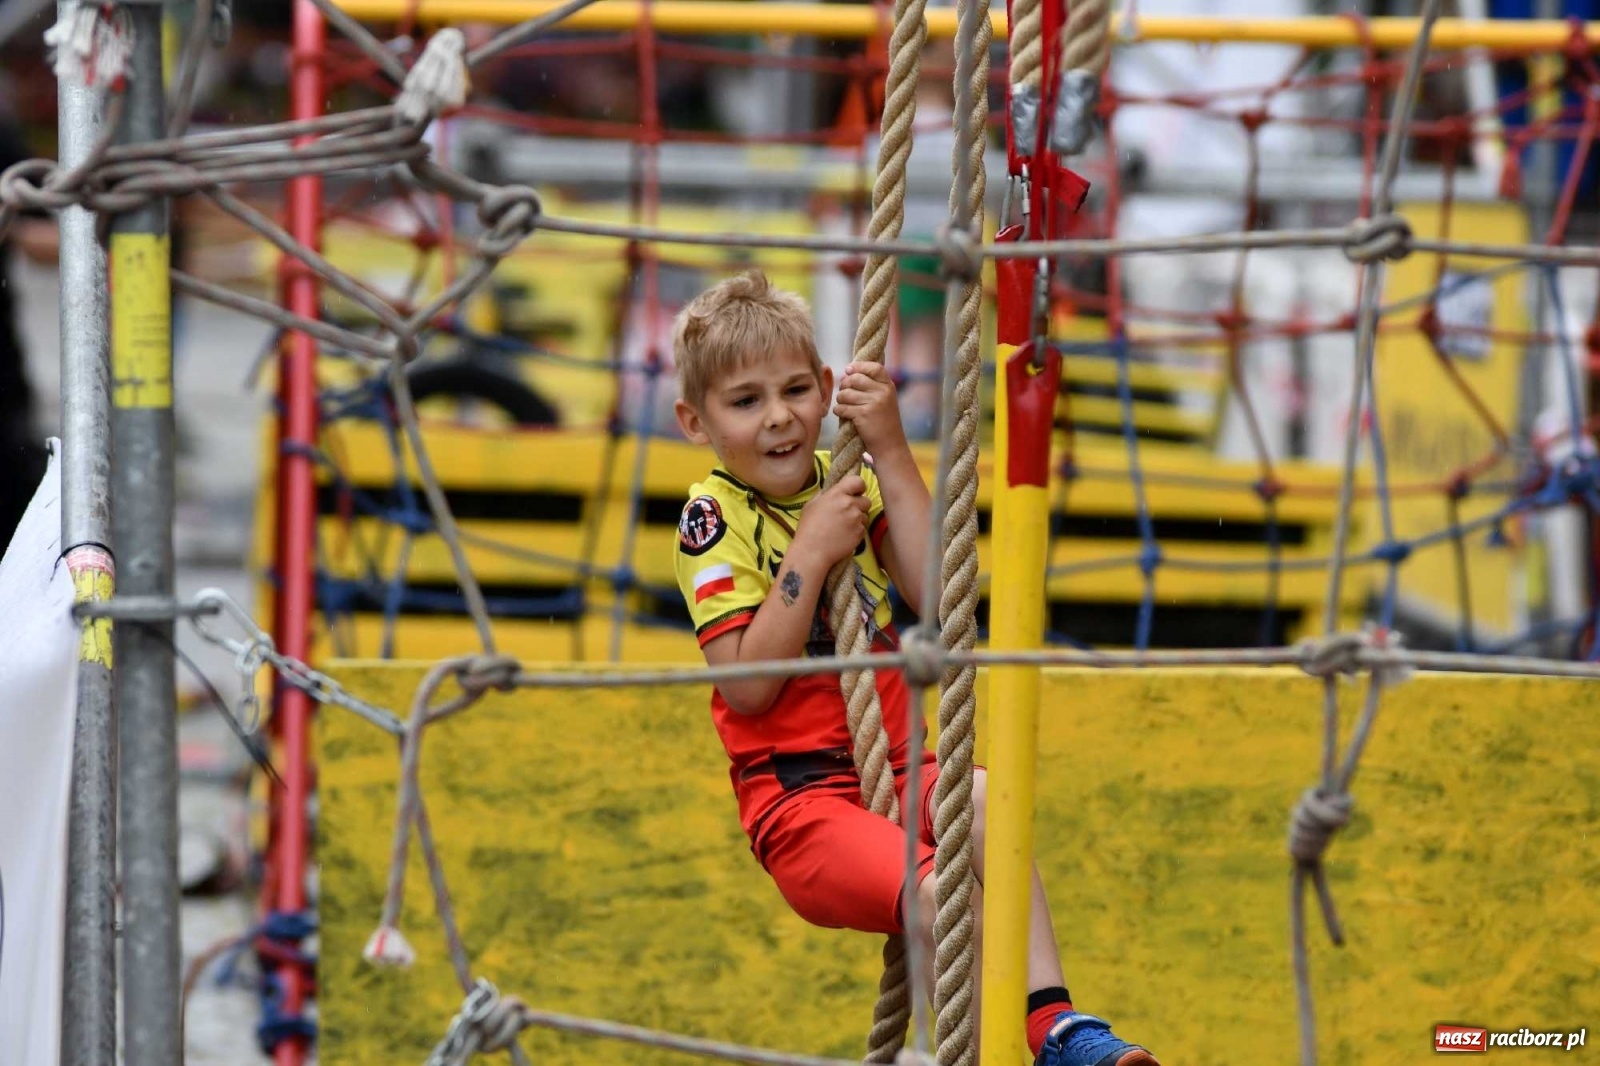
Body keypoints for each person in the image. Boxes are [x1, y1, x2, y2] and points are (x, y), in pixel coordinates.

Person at [671, 270, 1157, 1066]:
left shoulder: (849, 483)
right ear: (697, 421)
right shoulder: (713, 519)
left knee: (989, 804)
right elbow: (748, 687)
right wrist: (813, 550)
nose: (782, 416)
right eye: (746, 401)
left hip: (903, 770)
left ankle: (1057, 1029)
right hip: (802, 804)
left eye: (797, 389)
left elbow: (943, 597)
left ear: (829, 389)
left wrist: (891, 446)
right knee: (938, 891)